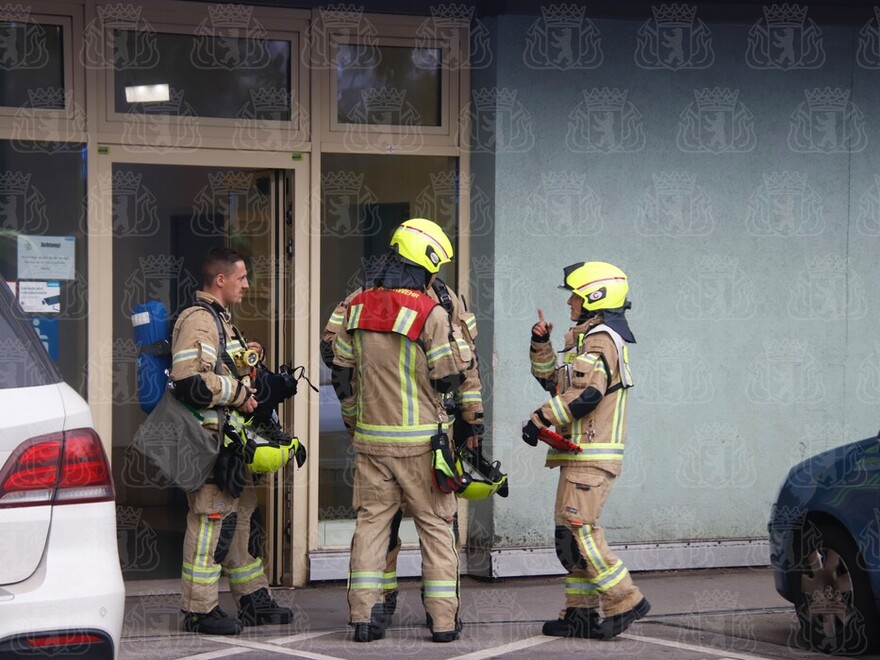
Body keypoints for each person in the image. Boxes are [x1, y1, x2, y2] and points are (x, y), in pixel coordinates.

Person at [320, 219, 499, 622]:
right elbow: (457, 370)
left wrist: (473, 424)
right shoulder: (436, 308)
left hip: (377, 434)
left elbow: (339, 363)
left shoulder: (371, 300)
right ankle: (431, 615)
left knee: (372, 524)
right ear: (427, 261)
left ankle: (364, 615)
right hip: (425, 436)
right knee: (434, 525)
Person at [521, 261, 650, 640]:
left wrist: (539, 419)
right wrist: (541, 343)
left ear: (596, 297)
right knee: (569, 538)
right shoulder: (588, 340)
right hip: (579, 454)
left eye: (576, 296)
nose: (570, 303)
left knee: (580, 532)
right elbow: (557, 383)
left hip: (592, 455)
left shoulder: (601, 340)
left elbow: (585, 397)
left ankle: (625, 599)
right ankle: (580, 614)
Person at [171, 247, 294, 635]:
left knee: (240, 515)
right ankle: (198, 610)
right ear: (220, 280)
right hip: (206, 443)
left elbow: (220, 368)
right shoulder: (199, 321)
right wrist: (239, 392)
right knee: (211, 521)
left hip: (226, 441)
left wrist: (249, 363)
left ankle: (252, 598)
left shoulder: (221, 322)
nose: (246, 285)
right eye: (241, 278)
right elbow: (189, 380)